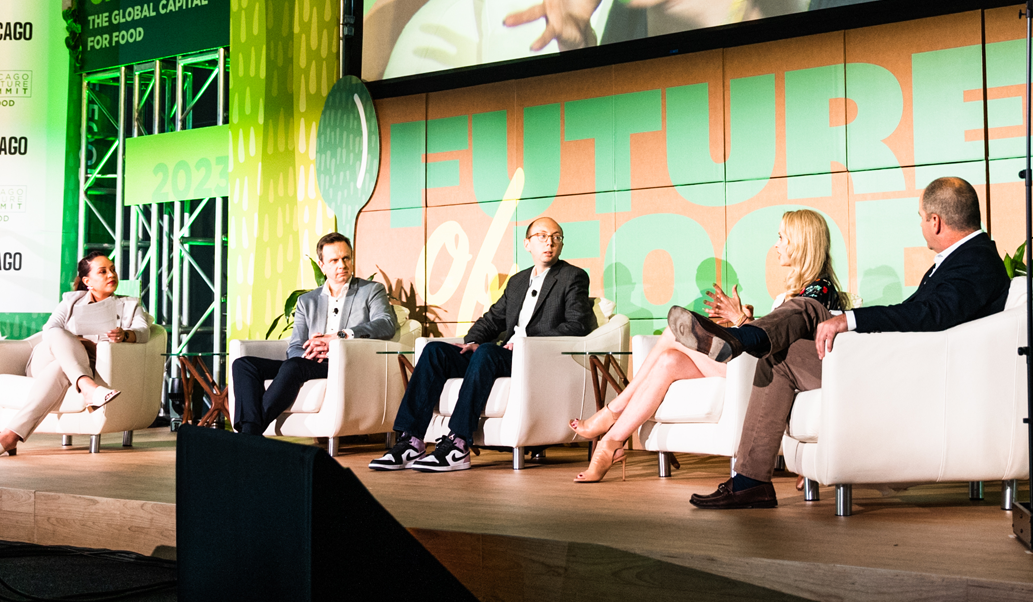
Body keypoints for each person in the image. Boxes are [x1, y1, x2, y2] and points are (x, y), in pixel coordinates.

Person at [668, 177, 1010, 509]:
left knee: (806, 315)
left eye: (921, 218)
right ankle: (750, 480)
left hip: (910, 376)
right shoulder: (964, 261)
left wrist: (851, 320)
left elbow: (929, 316)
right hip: (902, 364)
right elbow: (920, 314)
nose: (921, 226)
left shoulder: (974, 263)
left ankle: (746, 340)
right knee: (781, 350)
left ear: (935, 221)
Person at [572, 209, 848, 482]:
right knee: (668, 360)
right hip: (758, 366)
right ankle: (611, 442)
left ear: (801, 243)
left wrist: (741, 321)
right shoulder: (797, 291)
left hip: (774, 374)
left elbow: (792, 348)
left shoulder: (819, 292)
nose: (776, 245)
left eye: (782, 238)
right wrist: (744, 320)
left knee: (672, 334)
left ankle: (614, 411)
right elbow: (780, 333)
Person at [370, 217, 596, 472]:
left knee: (488, 351)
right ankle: (411, 441)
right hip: (500, 355)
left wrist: (524, 343)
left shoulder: (572, 277)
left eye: (557, 237)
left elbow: (577, 326)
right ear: (527, 243)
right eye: (542, 236)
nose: (550, 242)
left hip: (532, 357)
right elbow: (492, 318)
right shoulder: (518, 281)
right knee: (436, 351)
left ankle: (457, 444)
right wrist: (472, 341)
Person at [0, 252, 150, 458]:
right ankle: (89, 388)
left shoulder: (130, 305)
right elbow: (49, 329)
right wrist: (75, 341)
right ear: (87, 281)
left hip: (78, 367)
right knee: (58, 333)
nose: (111, 274)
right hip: (43, 361)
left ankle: (9, 436)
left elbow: (144, 332)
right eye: (103, 271)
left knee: (61, 368)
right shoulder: (71, 300)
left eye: (112, 269)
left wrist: (125, 334)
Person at [230, 232, 398, 435]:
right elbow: (294, 346)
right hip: (309, 362)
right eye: (334, 260)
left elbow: (386, 324)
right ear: (322, 265)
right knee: (244, 364)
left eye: (346, 258)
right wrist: (308, 355)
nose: (342, 265)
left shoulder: (371, 290)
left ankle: (248, 434)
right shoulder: (307, 301)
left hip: (344, 363)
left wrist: (339, 336)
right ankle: (250, 433)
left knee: (293, 366)